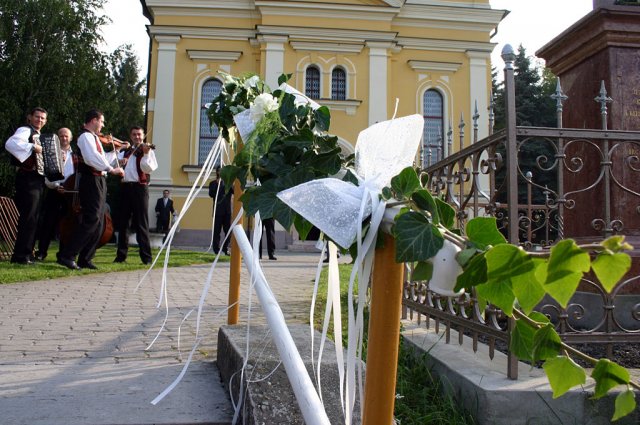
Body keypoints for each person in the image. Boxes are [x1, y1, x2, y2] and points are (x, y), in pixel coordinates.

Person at [56, 109, 125, 270]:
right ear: (94, 120)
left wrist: (117, 152)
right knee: (92, 218)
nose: (103, 125)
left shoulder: (94, 138)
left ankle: (85, 258)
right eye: (102, 121)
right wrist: (111, 169)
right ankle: (67, 255)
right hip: (91, 181)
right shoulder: (85, 137)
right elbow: (92, 158)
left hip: (98, 180)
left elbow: (102, 158)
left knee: (99, 221)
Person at [5, 107, 47, 265]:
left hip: (37, 179)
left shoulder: (40, 136)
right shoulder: (25, 130)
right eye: (37, 117)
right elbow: (10, 144)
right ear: (30, 117)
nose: (39, 120)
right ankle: (21, 256)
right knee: (28, 217)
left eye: (42, 118)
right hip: (27, 177)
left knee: (33, 217)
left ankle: (26, 254)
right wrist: (32, 146)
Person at [113, 126, 158, 264]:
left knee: (141, 223)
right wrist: (119, 163)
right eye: (134, 134)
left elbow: (148, 169)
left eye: (139, 134)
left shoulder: (148, 151)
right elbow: (113, 165)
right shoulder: (125, 152)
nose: (137, 137)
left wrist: (145, 154)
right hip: (125, 187)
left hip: (140, 188)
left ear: (143, 136)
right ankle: (121, 256)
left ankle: (146, 258)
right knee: (123, 223)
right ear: (131, 136)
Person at [34, 128, 75, 261]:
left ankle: (63, 253)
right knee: (48, 222)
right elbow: (46, 174)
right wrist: (57, 186)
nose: (64, 138)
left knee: (67, 224)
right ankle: (41, 252)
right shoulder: (50, 152)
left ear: (70, 138)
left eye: (66, 136)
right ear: (57, 138)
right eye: (61, 136)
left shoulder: (75, 155)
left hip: (69, 192)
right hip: (54, 190)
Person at [208, 167, 233, 255]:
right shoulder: (212, 183)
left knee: (228, 231)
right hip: (217, 211)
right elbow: (211, 194)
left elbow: (234, 191)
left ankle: (225, 248)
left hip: (227, 211)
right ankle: (216, 249)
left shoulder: (228, 183)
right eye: (219, 171)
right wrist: (217, 184)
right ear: (217, 172)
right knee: (216, 231)